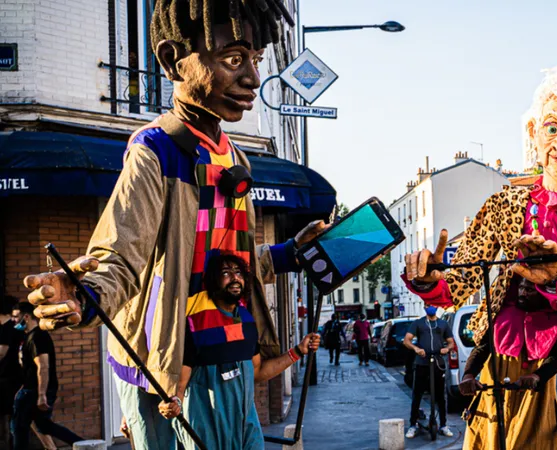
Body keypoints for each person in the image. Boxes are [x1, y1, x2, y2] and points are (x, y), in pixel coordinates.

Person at [22, 2, 327, 449]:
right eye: (234, 59)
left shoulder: (234, 156)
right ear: (171, 61)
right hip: (168, 364)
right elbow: (121, 255)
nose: (253, 80)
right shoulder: (156, 150)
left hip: (229, 349)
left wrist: (289, 253)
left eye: (256, 61)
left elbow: (229, 263)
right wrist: (85, 296)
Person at [403, 62, 557, 449]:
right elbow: (461, 282)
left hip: (545, 361)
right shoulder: (504, 204)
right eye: (553, 127)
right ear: (535, 132)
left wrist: (556, 278)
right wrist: (428, 280)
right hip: (494, 354)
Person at [157, 253, 320, 449]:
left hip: (246, 429)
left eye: (239, 272)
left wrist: (298, 351)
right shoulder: (197, 323)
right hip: (206, 431)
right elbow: (180, 384)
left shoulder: (247, 321)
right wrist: (173, 402)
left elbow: (257, 371)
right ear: (213, 280)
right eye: (226, 273)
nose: (235, 278)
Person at [10, 302, 83, 450]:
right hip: (29, 389)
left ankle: (82, 444)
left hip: (34, 391)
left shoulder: (38, 337)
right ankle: (82, 444)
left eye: (16, 317)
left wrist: (42, 395)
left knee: (19, 426)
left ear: (26, 317)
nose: (14, 320)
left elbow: (43, 366)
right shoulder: (29, 336)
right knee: (44, 426)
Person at [402, 305, 455, 439]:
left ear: (436, 308)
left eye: (432, 306)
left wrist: (446, 349)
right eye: (427, 306)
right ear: (424, 308)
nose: (430, 308)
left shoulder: (443, 324)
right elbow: (406, 340)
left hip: (438, 362)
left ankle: (443, 425)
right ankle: (413, 425)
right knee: (417, 394)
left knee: (440, 397)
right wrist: (416, 349)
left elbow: (451, 342)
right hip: (422, 362)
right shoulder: (418, 323)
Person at [0, 296, 23, 449]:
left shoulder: (7, 329)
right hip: (13, 376)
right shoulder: (14, 328)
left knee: (7, 416)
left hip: (7, 378)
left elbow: (1, 352)